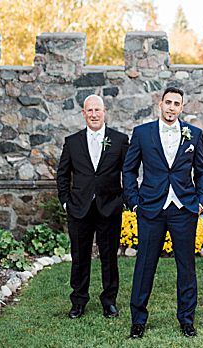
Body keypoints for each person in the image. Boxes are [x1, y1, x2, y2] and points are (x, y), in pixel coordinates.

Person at [122, 86, 203, 339]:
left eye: (177, 104)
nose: (171, 107)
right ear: (160, 104)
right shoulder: (142, 133)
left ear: (182, 107)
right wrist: (135, 202)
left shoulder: (193, 134)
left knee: (187, 267)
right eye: (168, 102)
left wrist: (201, 201)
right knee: (144, 265)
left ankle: (186, 319)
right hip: (150, 208)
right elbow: (129, 170)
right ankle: (138, 320)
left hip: (184, 210)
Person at [55, 94, 130, 320]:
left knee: (109, 258)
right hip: (79, 208)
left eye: (97, 110)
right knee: (80, 257)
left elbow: (129, 172)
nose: (94, 114)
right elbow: (62, 174)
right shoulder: (72, 141)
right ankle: (78, 301)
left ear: (104, 111)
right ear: (84, 114)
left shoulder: (119, 140)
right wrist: (66, 201)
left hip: (110, 207)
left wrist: (123, 200)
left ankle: (109, 301)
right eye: (90, 110)